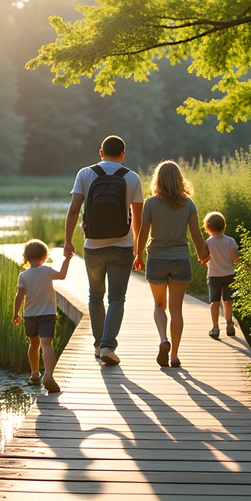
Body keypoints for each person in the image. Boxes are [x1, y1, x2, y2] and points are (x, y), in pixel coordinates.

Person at [64, 135, 144, 366]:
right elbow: (138, 220)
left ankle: (99, 345)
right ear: (122, 154)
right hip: (123, 246)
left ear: (101, 152)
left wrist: (68, 242)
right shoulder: (132, 177)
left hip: (93, 247)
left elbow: (73, 211)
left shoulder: (85, 174)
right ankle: (109, 345)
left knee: (95, 296)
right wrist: (139, 251)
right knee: (117, 297)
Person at [133, 160, 210, 368]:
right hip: (181, 259)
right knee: (176, 310)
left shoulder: (150, 203)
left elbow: (142, 234)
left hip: (157, 258)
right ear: (179, 179)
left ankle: (162, 340)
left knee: (159, 305)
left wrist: (138, 255)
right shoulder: (188, 204)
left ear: (157, 179)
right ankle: (174, 356)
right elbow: (196, 235)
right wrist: (203, 254)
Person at [13, 239, 72, 392]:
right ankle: (48, 375)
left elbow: (19, 296)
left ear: (26, 257)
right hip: (47, 314)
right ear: (44, 257)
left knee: (33, 344)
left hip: (30, 315)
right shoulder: (47, 270)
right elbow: (62, 275)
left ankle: (34, 374)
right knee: (46, 344)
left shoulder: (23, 276)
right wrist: (67, 259)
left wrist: (15, 313)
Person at [202, 210, 251, 339]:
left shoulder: (208, 243)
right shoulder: (230, 241)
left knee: (214, 301)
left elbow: (204, 258)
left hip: (214, 276)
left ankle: (215, 327)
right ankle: (229, 323)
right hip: (229, 275)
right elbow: (236, 258)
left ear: (207, 228)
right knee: (228, 300)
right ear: (224, 226)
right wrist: (249, 269)